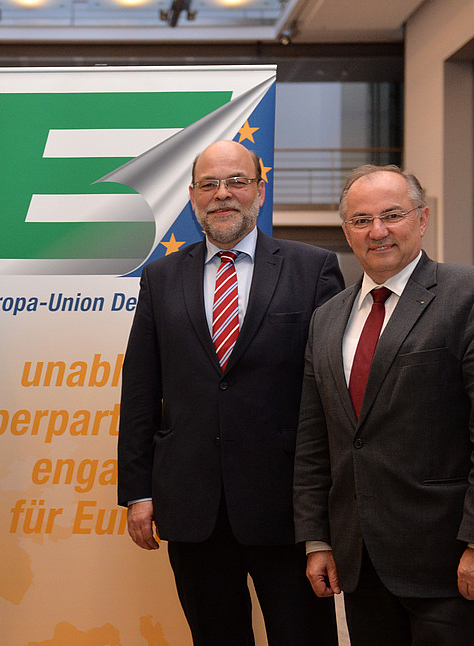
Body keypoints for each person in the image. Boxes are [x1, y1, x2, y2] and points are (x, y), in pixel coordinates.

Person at [293, 165, 474, 646]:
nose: (377, 231)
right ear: (346, 231)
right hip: (361, 563)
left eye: (392, 215)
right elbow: (315, 439)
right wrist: (317, 539)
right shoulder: (326, 318)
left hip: (450, 563)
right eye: (361, 220)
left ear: (422, 219)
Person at [118, 139, 343, 645]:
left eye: (237, 181)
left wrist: (329, 504)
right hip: (192, 506)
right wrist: (138, 491)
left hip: (287, 507)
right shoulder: (160, 277)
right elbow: (141, 389)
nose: (223, 194)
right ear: (192, 196)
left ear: (260, 191)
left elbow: (330, 390)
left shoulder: (313, 268)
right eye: (209, 184)